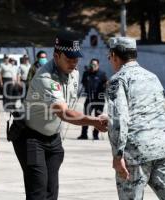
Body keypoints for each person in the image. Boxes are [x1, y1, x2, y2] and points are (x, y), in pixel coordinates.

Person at [11, 32, 108, 200]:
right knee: (38, 192)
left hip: (53, 139)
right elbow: (64, 112)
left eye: (76, 59)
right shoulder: (45, 78)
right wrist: (93, 121)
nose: (73, 63)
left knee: (51, 191)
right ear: (56, 56)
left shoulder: (74, 72)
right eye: (69, 58)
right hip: (31, 138)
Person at [106, 36, 165, 200]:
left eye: (109, 57)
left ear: (114, 55)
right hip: (164, 148)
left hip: (136, 152)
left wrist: (118, 155)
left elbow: (119, 120)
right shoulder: (152, 77)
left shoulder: (118, 80)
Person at [77, 58, 107, 140]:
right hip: (89, 98)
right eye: (91, 64)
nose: (93, 66)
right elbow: (83, 83)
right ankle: (84, 134)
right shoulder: (86, 73)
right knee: (86, 117)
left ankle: (95, 134)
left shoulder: (102, 74)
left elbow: (105, 85)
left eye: (95, 65)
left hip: (99, 100)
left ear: (98, 65)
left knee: (98, 117)